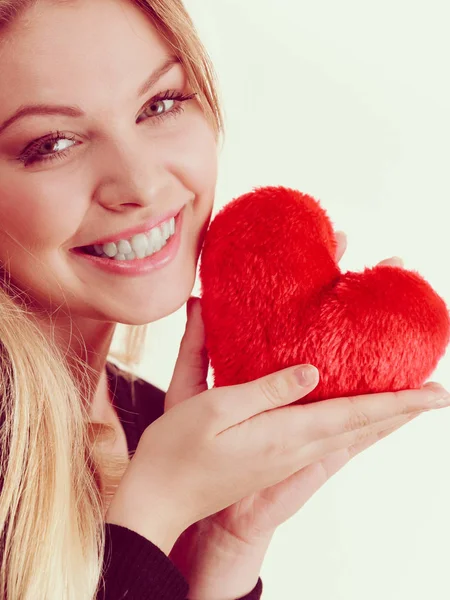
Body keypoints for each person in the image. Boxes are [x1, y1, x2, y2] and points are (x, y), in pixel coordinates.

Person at [0, 0, 449, 598]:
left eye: (159, 104)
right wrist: (154, 510)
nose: (142, 184)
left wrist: (220, 551)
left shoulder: (154, 423)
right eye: (51, 143)